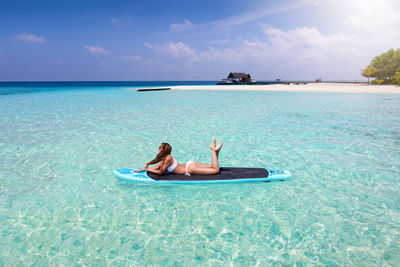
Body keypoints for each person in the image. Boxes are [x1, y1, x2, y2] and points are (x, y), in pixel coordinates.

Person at [134, 137, 223, 176]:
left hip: (189, 169)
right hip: (190, 164)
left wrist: (147, 169)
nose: (158, 150)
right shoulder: (166, 157)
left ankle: (213, 150)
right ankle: (216, 151)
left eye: (159, 148)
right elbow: (157, 167)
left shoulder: (167, 158)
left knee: (215, 170)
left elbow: (161, 172)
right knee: (213, 166)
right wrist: (143, 169)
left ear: (161, 149)